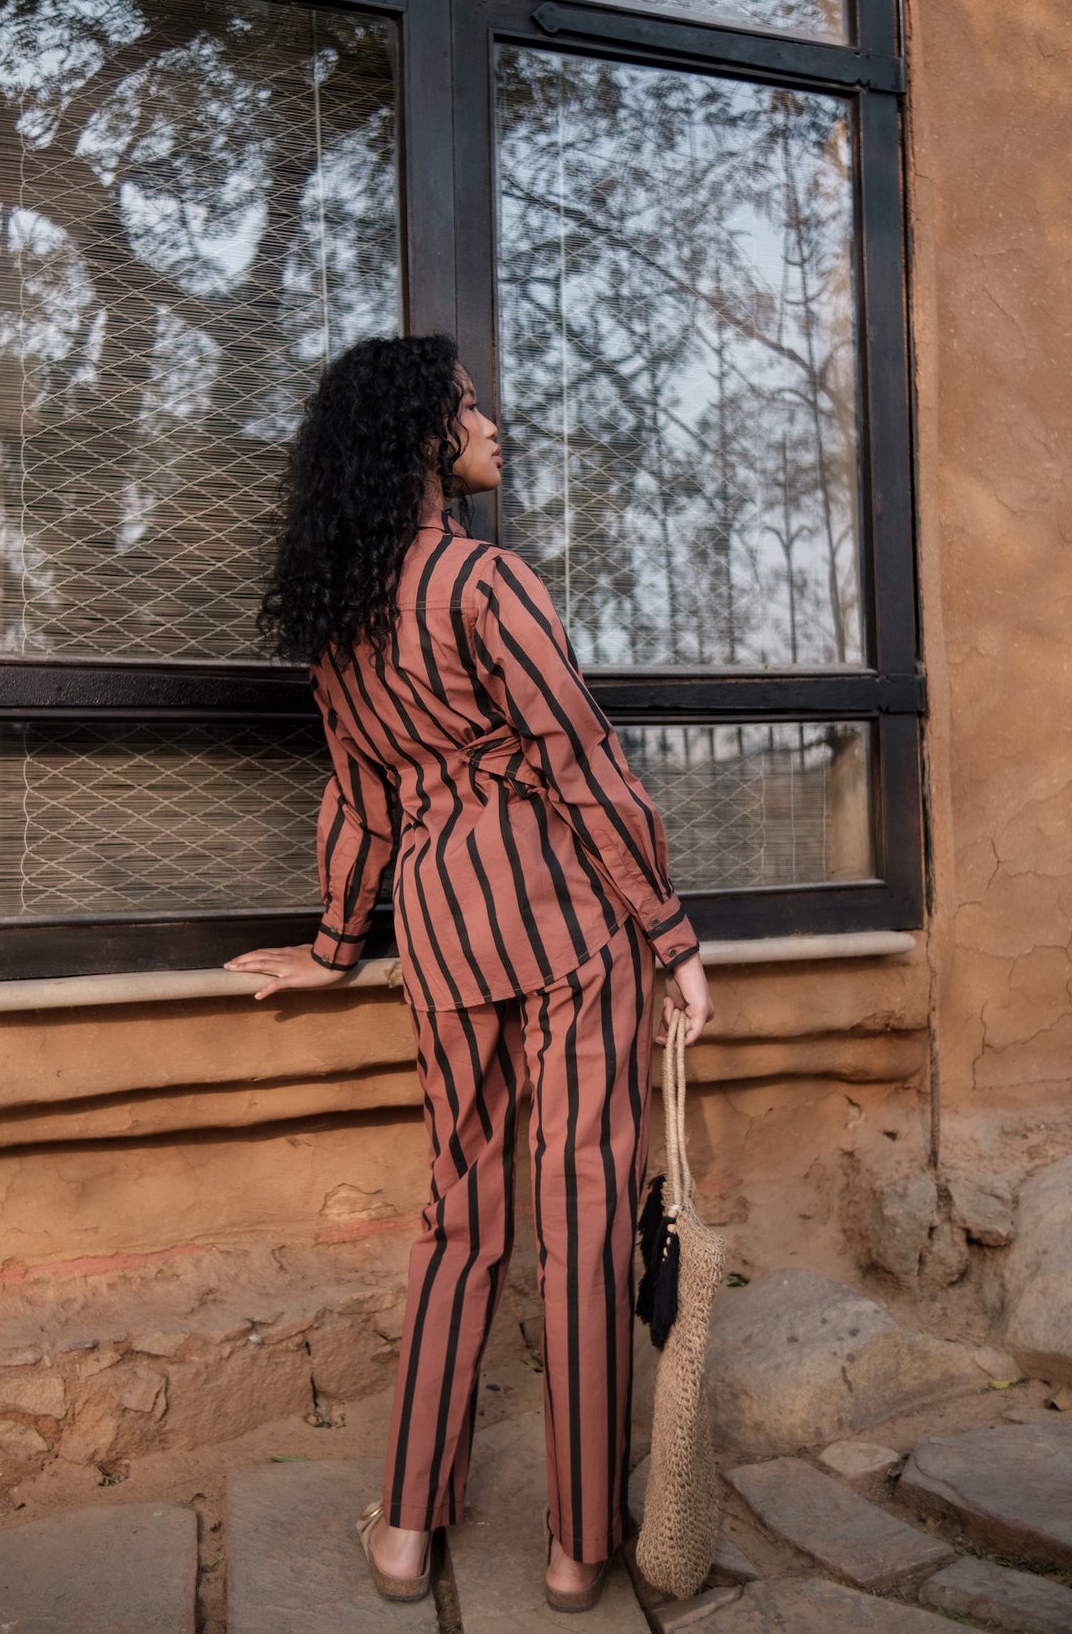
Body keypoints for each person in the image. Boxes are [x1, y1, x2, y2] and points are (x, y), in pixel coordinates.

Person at [225, 333, 713, 1613]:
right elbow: (583, 762)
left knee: (461, 1219)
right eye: (472, 407)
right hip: (568, 927)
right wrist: (672, 937)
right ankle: (577, 1545)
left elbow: (362, 801)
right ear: (423, 439)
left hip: (440, 935)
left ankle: (404, 1529)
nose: (494, 424)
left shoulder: (338, 619)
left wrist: (336, 946)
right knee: (585, 1217)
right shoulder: (486, 582)